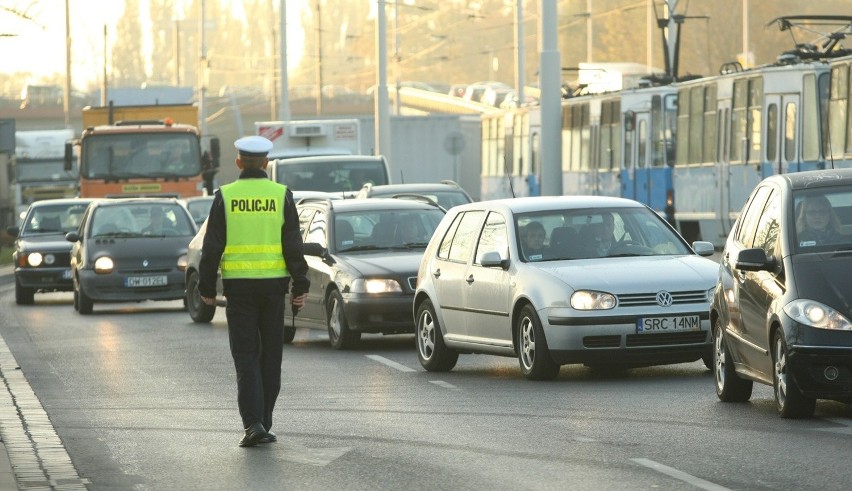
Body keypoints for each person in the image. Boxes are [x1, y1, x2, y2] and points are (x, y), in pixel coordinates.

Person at [198, 135, 310, 448]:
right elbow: (293, 245)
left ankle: (254, 424)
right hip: (274, 290)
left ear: (237, 163)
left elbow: (212, 246)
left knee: (246, 357)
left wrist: (206, 289)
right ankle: (264, 421)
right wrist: (300, 285)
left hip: (239, 291)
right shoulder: (281, 195)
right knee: (271, 358)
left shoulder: (226, 196)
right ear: (266, 163)